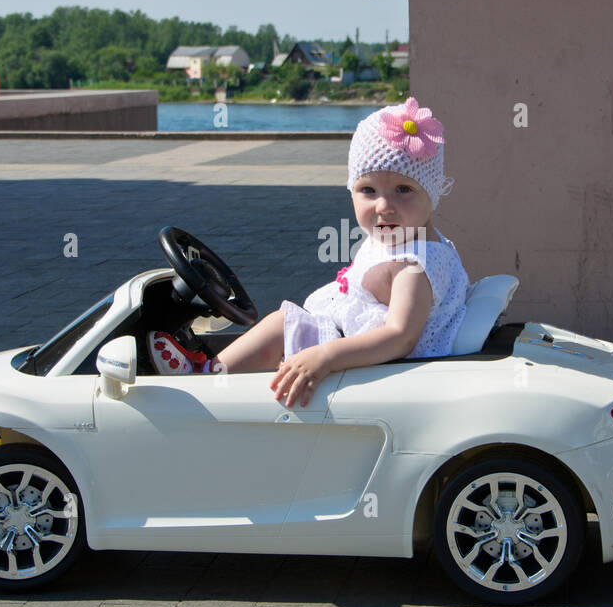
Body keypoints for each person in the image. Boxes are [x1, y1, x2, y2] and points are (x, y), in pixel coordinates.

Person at [147, 96, 470, 409]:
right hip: (353, 340)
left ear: (431, 193)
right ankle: (214, 370)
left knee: (283, 325)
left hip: (373, 365)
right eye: (368, 190)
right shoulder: (401, 239)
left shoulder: (414, 267)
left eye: (404, 190)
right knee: (284, 324)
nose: (384, 206)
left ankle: (204, 376)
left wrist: (325, 356)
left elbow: (400, 336)